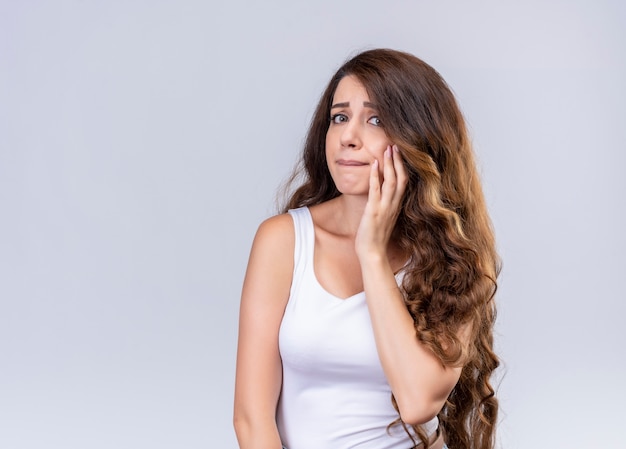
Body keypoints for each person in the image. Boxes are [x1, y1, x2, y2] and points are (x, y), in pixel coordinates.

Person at [233, 48, 500, 449]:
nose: (348, 137)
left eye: (375, 119)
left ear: (418, 137)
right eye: (339, 117)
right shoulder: (283, 240)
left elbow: (417, 402)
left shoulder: (459, 262)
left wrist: (372, 254)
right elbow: (251, 419)